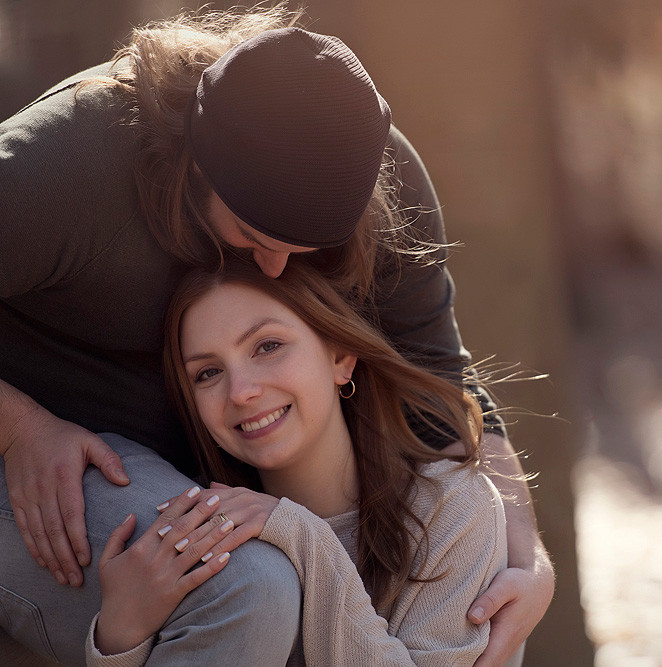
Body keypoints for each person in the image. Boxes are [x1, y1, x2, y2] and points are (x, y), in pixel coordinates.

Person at [0, 6, 551, 666]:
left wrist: (528, 556)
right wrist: (22, 426)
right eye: (256, 239)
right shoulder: (70, 162)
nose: (273, 268)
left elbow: (443, 375)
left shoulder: (362, 164)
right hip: (43, 469)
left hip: (207, 487)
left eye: (305, 250)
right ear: (198, 166)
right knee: (248, 584)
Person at [85, 257, 507, 666]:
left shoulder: (453, 508)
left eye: (267, 346)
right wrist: (120, 637)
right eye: (207, 373)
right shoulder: (200, 528)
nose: (240, 391)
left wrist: (302, 536)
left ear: (341, 356)